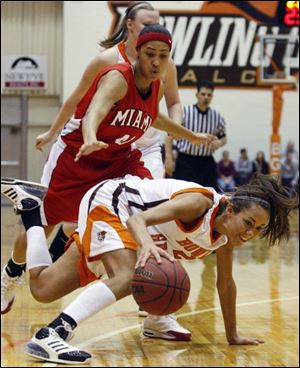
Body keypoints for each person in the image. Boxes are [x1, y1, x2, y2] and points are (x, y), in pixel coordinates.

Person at [1, 24, 216, 347]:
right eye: (150, 55)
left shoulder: (155, 84)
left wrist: (191, 136)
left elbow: (153, 118)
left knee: (154, 213)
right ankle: (9, 275)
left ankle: (157, 315)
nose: (157, 62)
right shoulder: (117, 77)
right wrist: (90, 138)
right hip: (79, 158)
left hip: (120, 161)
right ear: (136, 52)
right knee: (45, 227)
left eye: (164, 56)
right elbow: (94, 111)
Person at [1, 172, 298, 364]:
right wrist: (145, 244)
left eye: (258, 229)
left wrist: (232, 335)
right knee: (130, 275)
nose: (249, 234)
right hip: (112, 202)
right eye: (248, 223)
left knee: (42, 289)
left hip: (122, 223)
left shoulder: (225, 236)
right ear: (231, 208)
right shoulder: (198, 203)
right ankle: (52, 334)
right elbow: (137, 222)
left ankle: (31, 212)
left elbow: (225, 284)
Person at [172, 80, 227, 190]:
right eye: (203, 94)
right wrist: (168, 157)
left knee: (209, 193)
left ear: (212, 96)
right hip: (185, 160)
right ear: (197, 95)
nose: (206, 97)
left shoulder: (216, 116)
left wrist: (220, 143)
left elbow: (224, 137)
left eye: (209, 95)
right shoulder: (185, 112)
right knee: (182, 192)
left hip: (206, 161)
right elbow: (170, 134)